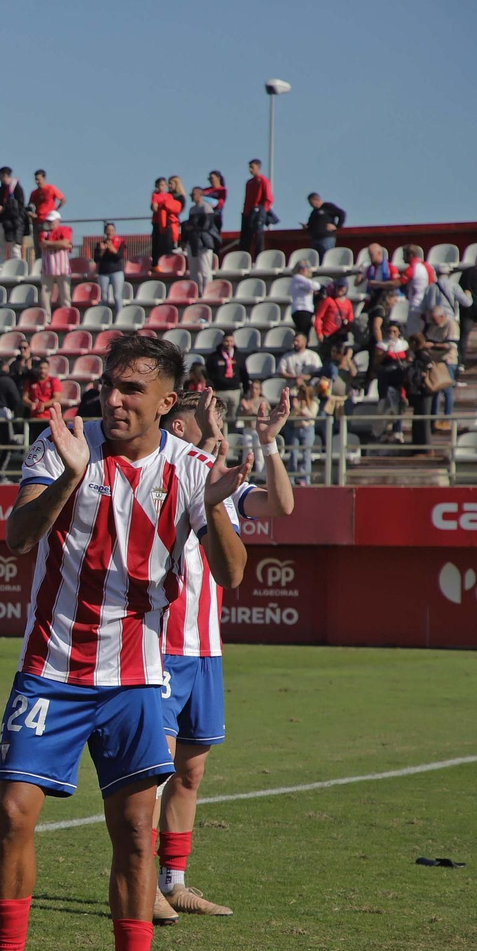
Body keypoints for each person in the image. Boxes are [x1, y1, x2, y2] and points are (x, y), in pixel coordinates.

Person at [0, 334, 250, 951]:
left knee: (135, 833)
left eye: (131, 390)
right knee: (15, 812)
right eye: (109, 386)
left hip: (137, 678)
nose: (113, 400)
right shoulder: (62, 444)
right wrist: (68, 477)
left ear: (167, 401)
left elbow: (232, 575)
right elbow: (17, 538)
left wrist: (214, 508)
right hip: (50, 670)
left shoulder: (190, 469)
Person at [156, 390, 293, 921]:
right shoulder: (166, 475)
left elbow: (280, 505)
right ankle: (140, 882)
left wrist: (269, 443)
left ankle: (173, 882)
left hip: (205, 651)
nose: (216, 426)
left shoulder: (223, 488)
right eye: (204, 419)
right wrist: (212, 444)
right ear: (177, 427)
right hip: (162, 646)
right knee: (154, 773)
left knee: (190, 773)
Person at [422, 307, 461, 428]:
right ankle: (434, 419)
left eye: (435, 319)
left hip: (447, 360)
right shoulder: (433, 326)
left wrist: (433, 345)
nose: (434, 322)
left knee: (447, 390)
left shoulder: (451, 325)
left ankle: (447, 418)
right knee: (435, 390)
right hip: (434, 361)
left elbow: (452, 345)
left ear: (442, 316)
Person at [181, 188, 219, 294]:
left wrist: (193, 227)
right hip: (193, 242)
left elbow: (207, 225)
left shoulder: (206, 208)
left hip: (203, 242)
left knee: (205, 270)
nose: (192, 197)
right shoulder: (192, 209)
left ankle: (207, 292)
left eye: (194, 194)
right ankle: (197, 292)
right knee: (194, 271)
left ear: (200, 195)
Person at [205, 332, 249, 420]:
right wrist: (212, 388)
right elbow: (209, 375)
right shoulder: (214, 357)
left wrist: (245, 393)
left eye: (231, 341)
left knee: (233, 417)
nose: (229, 344)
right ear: (222, 341)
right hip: (220, 391)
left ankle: (233, 429)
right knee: (220, 417)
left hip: (235, 391)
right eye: (226, 341)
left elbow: (244, 374)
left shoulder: (239, 356)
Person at [37, 213, 73, 316]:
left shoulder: (65, 230)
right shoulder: (43, 233)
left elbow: (65, 243)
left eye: (52, 221)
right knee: (45, 295)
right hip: (48, 268)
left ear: (58, 221)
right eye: (49, 221)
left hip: (62, 268)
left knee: (65, 294)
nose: (50, 223)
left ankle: (66, 315)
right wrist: (59, 244)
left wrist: (49, 243)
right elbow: (43, 245)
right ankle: (46, 317)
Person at [26, 171, 66, 265]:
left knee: (48, 245)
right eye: (36, 180)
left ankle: (51, 264)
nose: (37, 182)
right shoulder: (34, 193)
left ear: (44, 178)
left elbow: (62, 199)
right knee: (38, 246)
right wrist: (32, 214)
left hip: (47, 222)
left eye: (39, 179)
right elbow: (30, 206)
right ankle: (40, 267)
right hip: (37, 222)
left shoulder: (51, 188)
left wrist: (55, 211)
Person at [0, 168, 26, 263]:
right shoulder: (0, 190)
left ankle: (17, 267)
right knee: (0, 247)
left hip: (13, 223)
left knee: (15, 247)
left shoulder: (16, 188)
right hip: (0, 221)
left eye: (2, 176)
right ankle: (1, 267)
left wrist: (5, 208)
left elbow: (20, 205)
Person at [399, 245, 435, 337]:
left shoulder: (412, 268)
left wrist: (378, 283)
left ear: (411, 255)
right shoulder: (428, 267)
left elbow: (398, 283)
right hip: (427, 305)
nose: (403, 258)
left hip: (415, 306)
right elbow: (434, 282)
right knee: (425, 334)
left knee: (414, 335)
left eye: (404, 255)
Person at [314, 279, 356, 356]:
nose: (340, 289)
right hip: (328, 336)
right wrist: (319, 333)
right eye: (338, 287)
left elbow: (350, 319)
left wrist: (346, 327)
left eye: (342, 287)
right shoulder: (328, 301)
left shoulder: (348, 303)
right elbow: (318, 317)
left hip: (340, 336)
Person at [240, 159, 272, 256]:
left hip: (257, 212)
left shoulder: (263, 181)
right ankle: (244, 257)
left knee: (258, 236)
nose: (250, 170)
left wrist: (262, 211)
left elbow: (268, 198)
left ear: (258, 168)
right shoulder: (249, 182)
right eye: (250, 167)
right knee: (245, 239)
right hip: (247, 213)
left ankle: (259, 257)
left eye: (252, 167)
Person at [93, 223, 127, 312]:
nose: (110, 232)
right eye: (108, 230)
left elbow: (120, 256)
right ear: (105, 232)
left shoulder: (120, 242)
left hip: (117, 271)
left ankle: (119, 316)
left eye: (112, 230)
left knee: (117, 296)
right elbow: (96, 259)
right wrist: (102, 251)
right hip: (103, 273)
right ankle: (105, 315)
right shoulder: (100, 244)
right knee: (104, 297)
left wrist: (112, 248)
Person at [303, 193, 346, 258]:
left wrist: (337, 226)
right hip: (315, 239)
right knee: (316, 258)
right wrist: (307, 227)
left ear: (316, 200)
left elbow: (342, 213)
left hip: (326, 238)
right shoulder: (314, 212)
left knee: (326, 257)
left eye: (311, 203)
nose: (311, 205)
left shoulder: (328, 206)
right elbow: (310, 223)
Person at [458, 254, 477, 359]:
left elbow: (460, 287)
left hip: (466, 308)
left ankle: (461, 361)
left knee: (464, 335)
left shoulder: (465, 272)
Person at [150, 178, 181, 262]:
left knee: (167, 241)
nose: (162, 187)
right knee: (157, 242)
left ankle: (167, 259)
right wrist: (158, 206)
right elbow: (154, 207)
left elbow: (172, 207)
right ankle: (156, 261)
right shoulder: (155, 195)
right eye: (160, 185)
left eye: (163, 185)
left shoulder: (169, 196)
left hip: (167, 221)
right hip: (157, 221)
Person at [288, 261, 320, 336]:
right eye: (301, 267)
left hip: (305, 310)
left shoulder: (301, 280)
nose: (304, 269)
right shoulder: (298, 278)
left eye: (306, 267)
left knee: (306, 333)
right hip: (302, 309)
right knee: (303, 334)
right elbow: (315, 286)